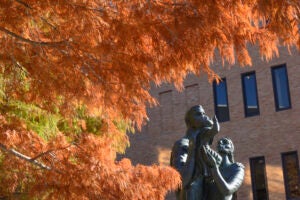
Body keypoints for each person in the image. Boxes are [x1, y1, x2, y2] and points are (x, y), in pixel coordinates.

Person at [170, 105, 220, 200]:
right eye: (198, 114)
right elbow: (181, 181)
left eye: (204, 113)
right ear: (190, 123)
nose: (204, 116)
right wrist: (192, 149)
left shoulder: (204, 147)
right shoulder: (182, 145)